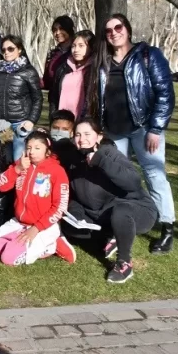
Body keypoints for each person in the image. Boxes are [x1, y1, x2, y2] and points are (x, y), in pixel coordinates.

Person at [86, 13, 176, 254]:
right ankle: (120, 226)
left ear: (127, 28)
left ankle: (167, 228)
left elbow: (165, 94)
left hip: (144, 128)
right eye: (108, 30)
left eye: (118, 27)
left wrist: (156, 129)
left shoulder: (147, 55)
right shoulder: (102, 61)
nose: (114, 32)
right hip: (115, 131)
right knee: (117, 179)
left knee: (155, 176)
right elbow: (95, 97)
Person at [67, 119, 158, 283]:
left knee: (120, 212)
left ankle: (124, 263)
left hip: (138, 211)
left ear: (99, 136)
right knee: (70, 226)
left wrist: (101, 161)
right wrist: (76, 214)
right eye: (78, 135)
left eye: (87, 134)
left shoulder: (109, 153)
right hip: (102, 214)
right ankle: (109, 237)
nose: (82, 139)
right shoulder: (74, 162)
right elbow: (75, 196)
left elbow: (133, 182)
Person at [0, 131, 75, 266]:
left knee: (8, 259)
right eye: (29, 148)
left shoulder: (57, 171)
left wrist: (36, 228)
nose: (32, 152)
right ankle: (17, 242)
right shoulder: (21, 164)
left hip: (42, 226)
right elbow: (0, 186)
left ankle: (52, 244)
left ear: (47, 150)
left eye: (37, 148)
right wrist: (17, 169)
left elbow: (60, 207)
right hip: (19, 222)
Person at [49, 30, 94, 119]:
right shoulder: (63, 69)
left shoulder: (95, 70)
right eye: (73, 46)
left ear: (91, 48)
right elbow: (53, 97)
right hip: (62, 122)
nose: (76, 50)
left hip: (85, 123)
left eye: (81, 46)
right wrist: (53, 118)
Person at [42, 15, 75, 89]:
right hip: (55, 99)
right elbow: (46, 81)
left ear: (69, 29)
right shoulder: (52, 54)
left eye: (61, 29)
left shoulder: (77, 52)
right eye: (54, 30)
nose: (57, 33)